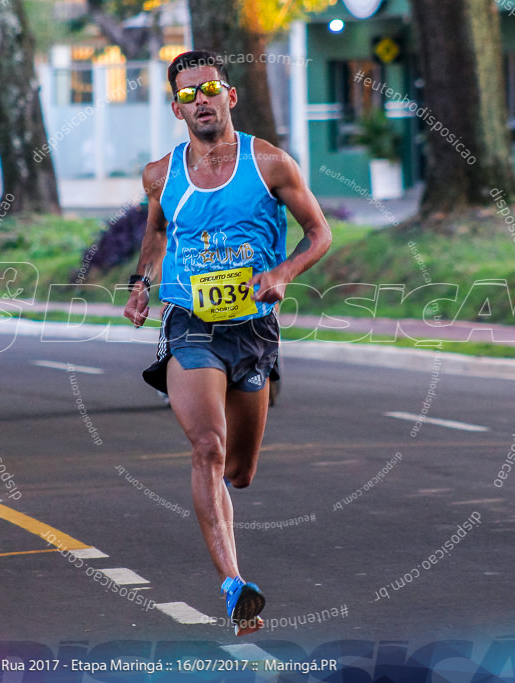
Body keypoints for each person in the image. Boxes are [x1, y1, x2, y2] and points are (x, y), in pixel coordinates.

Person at [122, 50, 332, 636]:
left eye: (209, 88)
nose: (201, 100)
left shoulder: (270, 163)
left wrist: (283, 274)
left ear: (230, 95)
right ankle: (235, 584)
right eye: (188, 94)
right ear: (176, 107)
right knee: (208, 448)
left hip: (254, 330)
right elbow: (157, 232)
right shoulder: (161, 174)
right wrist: (141, 287)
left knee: (238, 471)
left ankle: (233, 541)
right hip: (191, 324)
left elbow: (320, 234)